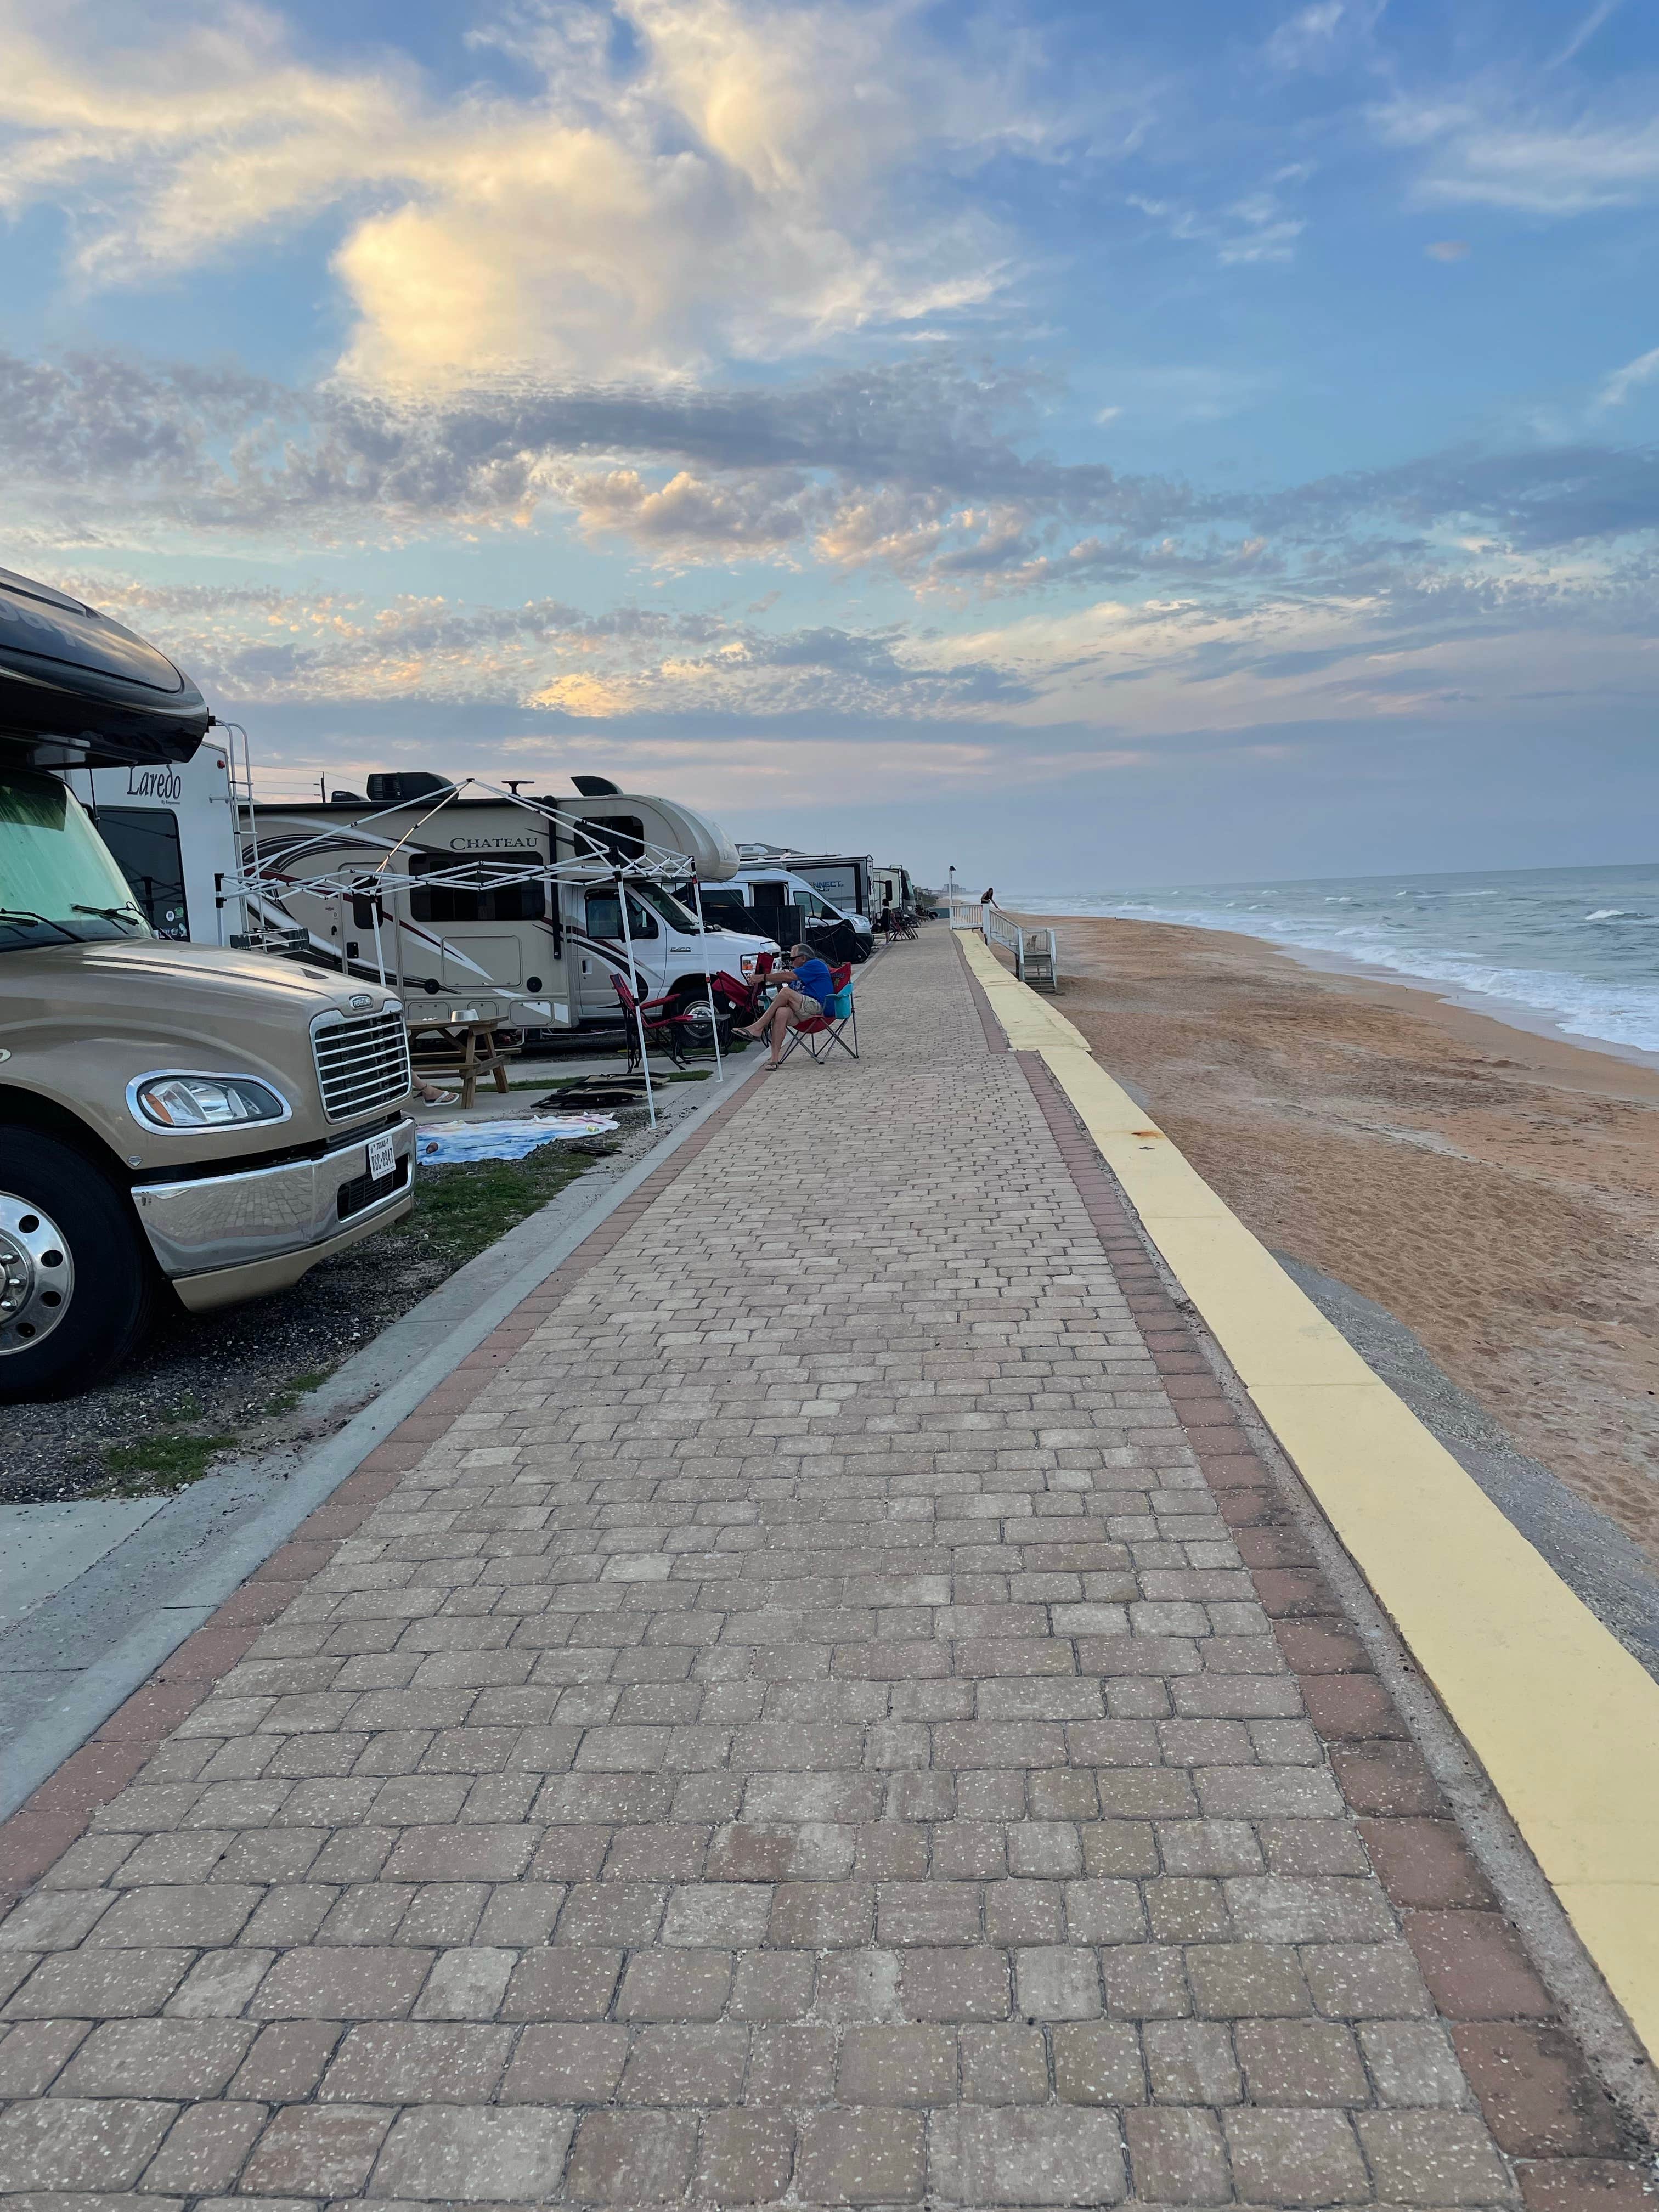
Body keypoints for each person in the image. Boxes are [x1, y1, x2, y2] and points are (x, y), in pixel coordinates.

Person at [736, 943, 835, 1067]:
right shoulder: (800, 972)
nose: (791, 962)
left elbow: (789, 977)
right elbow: (791, 990)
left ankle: (758, 1027)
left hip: (817, 1008)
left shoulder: (815, 964)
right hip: (803, 1010)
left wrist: (763, 977)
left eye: (793, 959)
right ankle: (774, 1060)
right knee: (781, 1012)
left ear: (803, 958)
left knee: (786, 993)